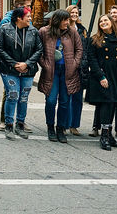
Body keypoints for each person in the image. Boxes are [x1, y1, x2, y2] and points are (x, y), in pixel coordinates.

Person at [86, 14, 117, 151]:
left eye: (105, 20)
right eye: (100, 21)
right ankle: (104, 135)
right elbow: (92, 60)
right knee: (107, 104)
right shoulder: (94, 40)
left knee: (114, 105)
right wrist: (101, 77)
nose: (103, 23)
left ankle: (109, 134)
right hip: (102, 77)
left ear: (111, 22)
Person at [0, 6, 41, 140]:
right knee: (13, 95)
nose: (30, 19)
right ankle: (8, 125)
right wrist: (14, 63)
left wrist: (27, 64)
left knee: (24, 97)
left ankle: (20, 124)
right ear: (19, 18)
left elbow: (39, 49)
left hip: (28, 69)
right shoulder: (5, 29)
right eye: (28, 17)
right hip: (8, 69)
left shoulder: (33, 31)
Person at [36, 9, 83, 144]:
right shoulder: (44, 32)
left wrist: (75, 63)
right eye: (65, 20)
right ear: (57, 20)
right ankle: (50, 127)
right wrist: (44, 64)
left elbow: (79, 49)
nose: (67, 23)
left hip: (68, 71)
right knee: (51, 100)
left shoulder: (72, 32)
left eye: (68, 20)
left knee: (64, 102)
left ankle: (61, 128)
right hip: (51, 71)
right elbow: (38, 50)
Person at [66, 4, 88, 136]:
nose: (74, 14)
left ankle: (74, 125)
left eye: (76, 12)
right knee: (66, 97)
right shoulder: (63, 28)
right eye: (72, 12)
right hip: (67, 67)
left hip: (80, 67)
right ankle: (65, 122)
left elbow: (85, 48)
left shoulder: (82, 29)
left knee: (78, 98)